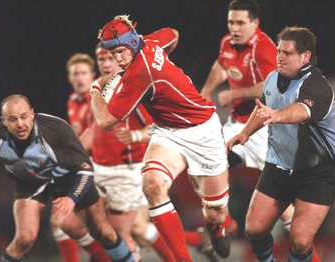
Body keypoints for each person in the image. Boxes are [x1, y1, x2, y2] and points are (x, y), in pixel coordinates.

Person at [92, 15, 232, 261]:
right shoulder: (148, 44)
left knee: (215, 212)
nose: (117, 58)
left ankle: (216, 228)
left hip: (203, 132)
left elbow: (104, 121)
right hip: (168, 132)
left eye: (121, 51)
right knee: (153, 184)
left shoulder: (139, 73)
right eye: (113, 54)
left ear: (133, 44)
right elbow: (173, 32)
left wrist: (96, 90)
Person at [0, 94, 134, 262]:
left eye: (23, 117)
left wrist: (71, 198)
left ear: (32, 114)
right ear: (3, 121)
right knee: (24, 239)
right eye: (12, 119)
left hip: (69, 180)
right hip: (29, 184)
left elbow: (86, 169)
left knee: (102, 232)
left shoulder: (56, 129)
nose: (20, 124)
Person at [227, 26, 335, 261]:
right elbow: (263, 105)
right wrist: (245, 133)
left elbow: (302, 110)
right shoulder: (272, 78)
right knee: (254, 229)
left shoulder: (317, 86)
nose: (280, 57)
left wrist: (278, 115)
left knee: (300, 242)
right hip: (279, 166)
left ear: (305, 56)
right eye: (279, 51)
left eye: (287, 53)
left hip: (318, 172)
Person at [200, 0, 299, 245]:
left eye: (240, 22)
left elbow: (271, 86)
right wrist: (206, 91)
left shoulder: (264, 47)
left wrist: (234, 94)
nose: (234, 27)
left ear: (255, 23)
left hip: (267, 129)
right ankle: (223, 224)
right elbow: (221, 66)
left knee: (282, 204)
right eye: (231, 22)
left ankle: (305, 248)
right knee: (210, 164)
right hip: (238, 126)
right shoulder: (227, 42)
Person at [52, 53, 111, 262]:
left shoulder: (99, 98)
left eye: (84, 73)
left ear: (92, 75)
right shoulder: (72, 101)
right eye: (75, 74)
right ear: (69, 77)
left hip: (108, 168)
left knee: (127, 230)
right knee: (60, 217)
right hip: (85, 166)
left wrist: (64, 159)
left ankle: (194, 242)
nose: (79, 78)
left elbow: (94, 133)